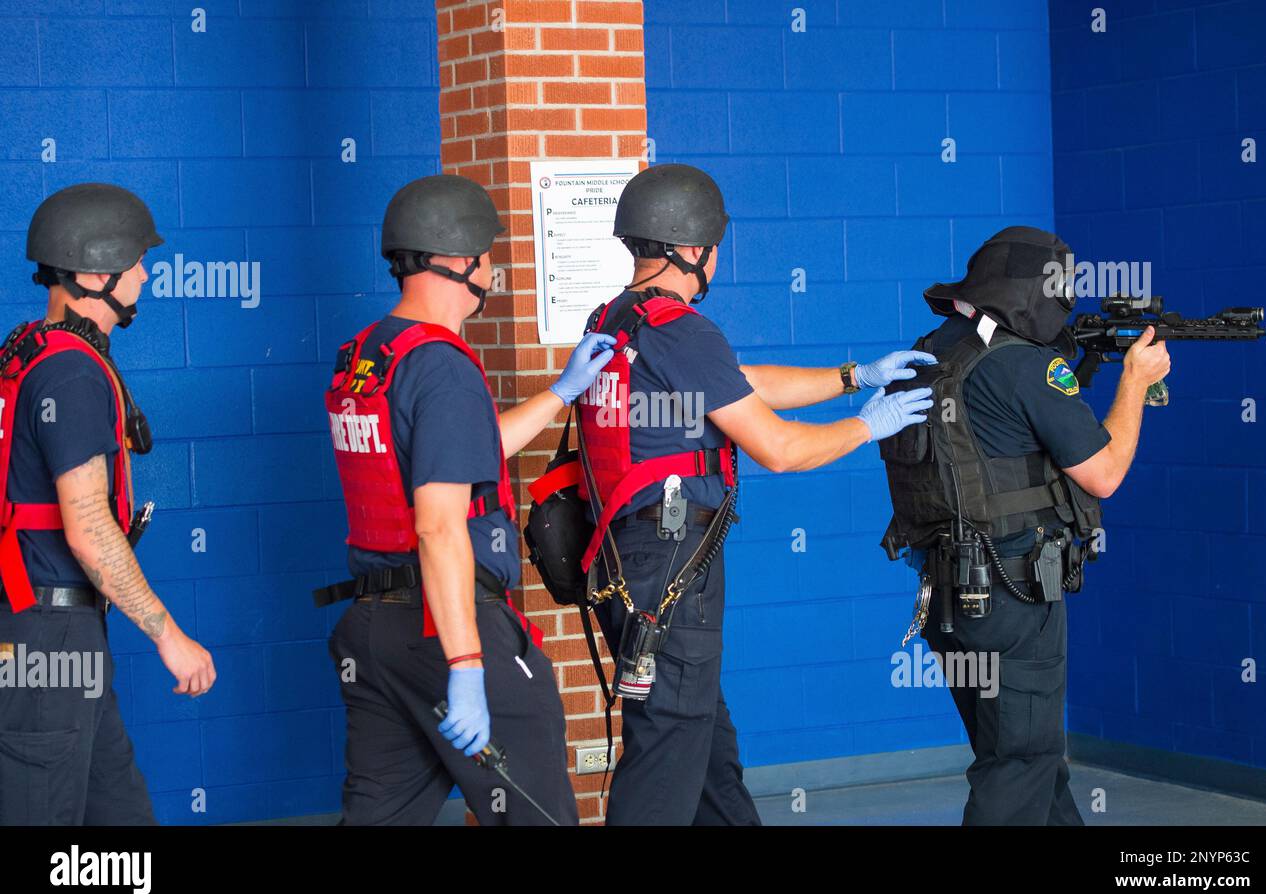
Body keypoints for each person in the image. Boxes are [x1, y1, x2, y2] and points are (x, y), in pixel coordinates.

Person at [576, 163, 935, 825]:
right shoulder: (681, 330)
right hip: (673, 573)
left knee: (707, 755)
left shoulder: (618, 321)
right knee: (665, 761)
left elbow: (742, 382)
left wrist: (854, 375)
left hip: (629, 565)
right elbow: (781, 448)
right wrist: (866, 426)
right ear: (693, 249)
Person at [317, 175, 615, 825]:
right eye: (487, 253)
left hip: (372, 630)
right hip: (444, 623)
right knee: (537, 812)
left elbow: (459, 458)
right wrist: (467, 664)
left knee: (380, 816)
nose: (493, 267)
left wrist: (562, 391)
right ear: (458, 261)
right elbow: (440, 527)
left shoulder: (368, 356)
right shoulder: (442, 365)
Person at [878, 225, 1171, 825]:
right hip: (1013, 597)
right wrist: (1136, 381)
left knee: (1029, 763)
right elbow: (1104, 473)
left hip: (951, 601)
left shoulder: (934, 352)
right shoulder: (1026, 367)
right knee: (1020, 763)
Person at [0, 182, 216, 825]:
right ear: (97, 272)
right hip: (47, 637)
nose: (146, 275)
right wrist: (169, 636)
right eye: (136, 262)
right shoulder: (70, 372)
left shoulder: (25, 351)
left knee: (118, 823)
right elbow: (90, 527)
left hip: (55, 635)